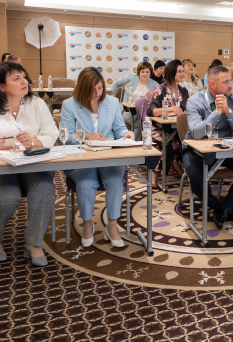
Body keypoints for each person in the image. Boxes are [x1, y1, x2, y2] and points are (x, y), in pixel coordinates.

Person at [0, 62, 58, 266]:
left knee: (44, 188)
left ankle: (34, 244)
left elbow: (52, 132)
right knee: (7, 197)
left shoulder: (36, 103)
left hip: (30, 164)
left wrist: (33, 141)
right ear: (1, 86)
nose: (24, 81)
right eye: (16, 78)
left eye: (24, 76)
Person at [61, 67, 135, 248]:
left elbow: (119, 128)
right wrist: (86, 136)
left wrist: (126, 134)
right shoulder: (69, 105)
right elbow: (65, 137)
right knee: (86, 182)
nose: (97, 93)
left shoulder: (112, 102)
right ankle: (87, 224)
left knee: (115, 181)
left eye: (100, 88)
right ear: (82, 88)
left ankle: (111, 225)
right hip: (81, 157)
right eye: (92, 89)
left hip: (108, 155)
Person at [184, 65, 233, 228]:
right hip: (196, 150)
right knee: (196, 177)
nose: (231, 85)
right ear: (212, 84)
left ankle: (225, 209)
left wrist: (228, 111)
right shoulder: (195, 101)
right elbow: (196, 133)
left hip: (224, 149)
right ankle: (216, 206)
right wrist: (217, 112)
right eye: (226, 82)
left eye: (230, 81)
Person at [148, 60, 188, 188]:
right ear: (172, 73)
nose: (183, 74)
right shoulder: (161, 89)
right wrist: (169, 109)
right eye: (179, 71)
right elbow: (150, 111)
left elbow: (186, 109)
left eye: (183, 71)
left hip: (177, 128)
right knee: (172, 143)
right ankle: (154, 173)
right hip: (160, 129)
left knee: (188, 141)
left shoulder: (184, 91)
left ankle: (177, 164)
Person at [111, 61, 159, 140]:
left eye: (147, 72)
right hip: (128, 111)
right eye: (142, 72)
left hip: (145, 113)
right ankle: (134, 143)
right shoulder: (131, 78)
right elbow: (116, 83)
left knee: (147, 123)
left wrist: (153, 96)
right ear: (139, 72)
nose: (145, 74)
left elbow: (158, 101)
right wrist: (113, 98)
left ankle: (144, 143)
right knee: (139, 124)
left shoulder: (155, 85)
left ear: (150, 73)